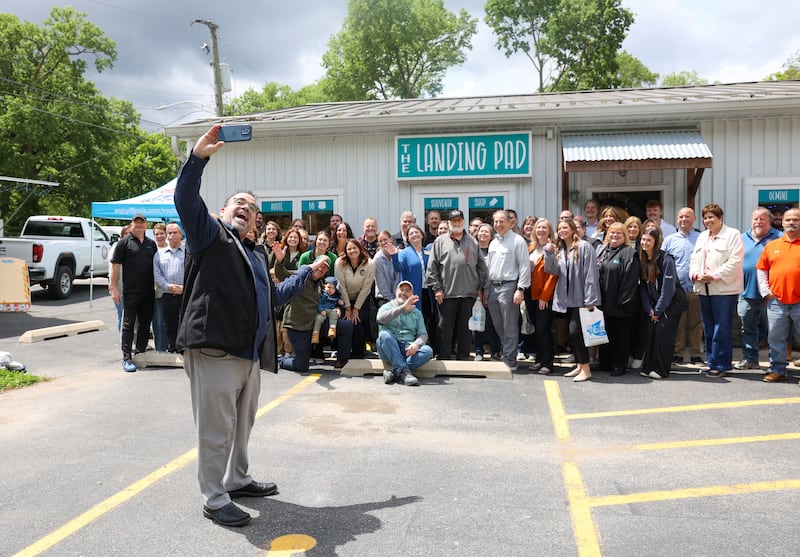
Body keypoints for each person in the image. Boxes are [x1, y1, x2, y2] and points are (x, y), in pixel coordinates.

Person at [174, 124, 327, 528]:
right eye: (237, 203)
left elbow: (273, 298)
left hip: (247, 354)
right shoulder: (210, 236)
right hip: (215, 350)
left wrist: (307, 275)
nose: (244, 207)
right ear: (223, 212)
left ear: (258, 221)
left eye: (251, 207)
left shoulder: (255, 253)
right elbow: (185, 199)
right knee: (216, 428)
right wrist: (199, 158)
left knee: (242, 423)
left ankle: (236, 479)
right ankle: (213, 496)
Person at [425, 209, 487, 361]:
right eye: (453, 221)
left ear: (463, 222)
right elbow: (431, 268)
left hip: (468, 294)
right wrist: (437, 289)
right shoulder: (440, 241)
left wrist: (480, 287)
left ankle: (463, 356)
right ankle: (444, 356)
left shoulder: (473, 241)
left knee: (465, 329)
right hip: (446, 294)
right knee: (444, 328)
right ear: (449, 223)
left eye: (459, 220)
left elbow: (481, 267)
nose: (456, 223)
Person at [689, 204, 744, 377]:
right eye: (705, 217)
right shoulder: (702, 237)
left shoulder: (732, 235)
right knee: (709, 327)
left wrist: (714, 276)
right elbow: (694, 259)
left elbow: (735, 261)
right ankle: (712, 362)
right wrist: (695, 274)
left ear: (720, 218)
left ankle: (722, 364)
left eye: (712, 217)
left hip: (723, 290)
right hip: (704, 289)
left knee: (722, 327)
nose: (708, 221)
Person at [544, 218, 601, 382]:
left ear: (572, 230)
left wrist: (591, 298)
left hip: (581, 298)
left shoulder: (584, 246)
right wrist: (548, 253)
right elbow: (553, 271)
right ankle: (579, 366)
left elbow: (591, 273)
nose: (562, 231)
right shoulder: (560, 249)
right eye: (559, 228)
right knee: (571, 332)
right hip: (565, 298)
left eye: (565, 228)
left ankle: (586, 368)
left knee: (576, 332)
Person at [278, 256, 355, 372]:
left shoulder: (321, 284)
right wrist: (279, 261)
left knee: (346, 326)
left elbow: (326, 301)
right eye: (320, 265)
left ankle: (342, 360)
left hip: (315, 324)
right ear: (314, 264)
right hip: (299, 326)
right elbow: (281, 273)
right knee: (301, 367)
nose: (321, 269)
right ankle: (280, 360)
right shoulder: (300, 276)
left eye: (325, 268)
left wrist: (336, 309)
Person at [109, 213, 158, 373]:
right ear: (132, 225)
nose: (139, 225)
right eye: (136, 223)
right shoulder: (124, 243)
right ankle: (126, 357)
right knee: (128, 325)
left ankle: (140, 353)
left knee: (145, 324)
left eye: (141, 223)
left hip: (148, 291)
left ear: (146, 225)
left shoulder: (152, 244)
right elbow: (116, 266)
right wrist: (114, 288)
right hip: (131, 292)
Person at [735, 207, 781, 370]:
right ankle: (750, 359)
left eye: (762, 218)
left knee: (774, 330)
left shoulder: (779, 238)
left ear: (770, 220)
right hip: (746, 292)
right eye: (755, 219)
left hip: (771, 294)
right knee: (747, 328)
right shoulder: (741, 238)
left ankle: (775, 363)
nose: (758, 221)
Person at [757, 208, 800, 383]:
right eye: (788, 219)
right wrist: (765, 291)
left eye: (795, 219)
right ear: (782, 222)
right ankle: (778, 369)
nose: (791, 222)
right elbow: (762, 269)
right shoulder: (772, 245)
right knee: (775, 337)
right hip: (777, 301)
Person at [485, 210, 531, 372]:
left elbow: (524, 266)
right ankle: (507, 352)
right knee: (498, 324)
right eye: (495, 222)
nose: (498, 225)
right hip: (493, 287)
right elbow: (488, 267)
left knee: (509, 325)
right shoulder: (493, 242)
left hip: (509, 286)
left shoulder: (517, 241)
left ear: (509, 222)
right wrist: (486, 289)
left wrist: (521, 289)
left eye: (501, 221)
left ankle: (510, 359)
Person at [639, 228, 686, 379]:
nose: (645, 243)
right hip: (654, 306)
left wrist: (658, 311)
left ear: (656, 242)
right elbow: (643, 288)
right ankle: (648, 367)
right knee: (651, 333)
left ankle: (661, 369)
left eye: (648, 240)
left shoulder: (666, 259)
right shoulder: (643, 259)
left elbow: (668, 289)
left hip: (671, 304)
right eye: (643, 240)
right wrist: (649, 309)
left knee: (663, 334)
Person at [596, 222, 640, 376]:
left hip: (621, 305)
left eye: (618, 233)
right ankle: (605, 363)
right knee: (604, 334)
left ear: (624, 236)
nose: (614, 236)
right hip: (602, 303)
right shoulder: (602, 251)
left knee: (619, 336)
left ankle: (619, 365)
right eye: (612, 233)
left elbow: (631, 280)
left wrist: (623, 301)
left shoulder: (629, 253)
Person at [662, 207, 704, 364]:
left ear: (694, 219)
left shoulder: (701, 238)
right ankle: (677, 353)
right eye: (681, 216)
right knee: (678, 324)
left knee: (696, 324)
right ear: (677, 219)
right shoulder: (670, 240)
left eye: (688, 216)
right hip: (676, 290)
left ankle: (695, 354)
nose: (684, 219)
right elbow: (662, 263)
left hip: (696, 289)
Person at [376, 280, 434, 386]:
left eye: (407, 291)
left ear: (411, 295)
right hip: (389, 348)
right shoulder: (386, 307)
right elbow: (380, 319)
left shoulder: (417, 313)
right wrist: (402, 308)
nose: (403, 293)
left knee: (428, 351)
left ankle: (395, 372)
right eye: (401, 290)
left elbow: (423, 334)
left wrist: (416, 344)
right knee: (384, 335)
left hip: (407, 349)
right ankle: (405, 372)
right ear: (395, 292)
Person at [334, 238, 376, 364]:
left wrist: (356, 309)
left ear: (359, 248)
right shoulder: (339, 262)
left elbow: (366, 287)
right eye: (349, 249)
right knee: (345, 323)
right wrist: (347, 308)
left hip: (361, 298)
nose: (352, 251)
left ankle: (358, 353)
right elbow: (340, 285)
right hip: (343, 297)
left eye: (354, 248)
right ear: (345, 251)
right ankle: (342, 353)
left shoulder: (369, 263)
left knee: (358, 323)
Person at [527, 218, 558, 374]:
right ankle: (539, 359)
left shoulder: (551, 248)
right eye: (538, 227)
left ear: (549, 231)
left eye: (544, 228)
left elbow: (553, 275)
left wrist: (545, 296)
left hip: (544, 295)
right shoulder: (531, 247)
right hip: (530, 293)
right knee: (537, 329)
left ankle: (548, 362)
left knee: (543, 328)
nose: (541, 230)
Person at [153, 222, 185, 353]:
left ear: (181, 235)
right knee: (170, 323)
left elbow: (192, 272)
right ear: (166, 235)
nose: (172, 235)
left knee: (184, 323)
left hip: (185, 293)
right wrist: (167, 286)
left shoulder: (188, 253)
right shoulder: (159, 255)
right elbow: (157, 274)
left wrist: (184, 287)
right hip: (168, 294)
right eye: (170, 233)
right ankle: (172, 346)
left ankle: (184, 347)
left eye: (175, 233)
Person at [473, 223, 502, 361]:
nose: (483, 234)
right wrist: (478, 290)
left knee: (492, 323)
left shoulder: (495, 249)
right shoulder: (472, 249)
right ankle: (478, 351)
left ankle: (495, 351)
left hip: (491, 290)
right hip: (475, 291)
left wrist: (487, 290)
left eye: (486, 232)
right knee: (477, 322)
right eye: (481, 231)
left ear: (491, 235)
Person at [151, 222, 169, 352]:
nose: (159, 236)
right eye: (156, 234)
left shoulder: (172, 247)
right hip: (157, 291)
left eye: (161, 233)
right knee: (158, 322)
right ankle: (160, 349)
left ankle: (171, 347)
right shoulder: (152, 249)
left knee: (170, 321)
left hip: (171, 291)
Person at [109, 225, 130, 331]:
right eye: (126, 233)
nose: (128, 236)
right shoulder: (118, 247)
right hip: (119, 289)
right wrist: (114, 288)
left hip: (131, 289)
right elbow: (112, 270)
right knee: (122, 315)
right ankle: (123, 340)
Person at [312, 277, 344, 345]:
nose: (330, 290)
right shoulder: (323, 295)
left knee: (334, 315)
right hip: (323, 311)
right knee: (318, 318)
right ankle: (315, 334)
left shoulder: (336, 297)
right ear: (324, 287)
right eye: (329, 287)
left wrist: (340, 302)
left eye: (333, 288)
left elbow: (338, 303)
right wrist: (321, 310)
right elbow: (319, 303)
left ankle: (332, 329)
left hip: (331, 310)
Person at [373, 230, 400, 307]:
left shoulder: (399, 254)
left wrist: (396, 297)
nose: (383, 242)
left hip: (399, 295)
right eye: (380, 241)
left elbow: (398, 277)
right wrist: (390, 299)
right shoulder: (377, 259)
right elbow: (381, 282)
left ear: (391, 239)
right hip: (383, 296)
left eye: (385, 240)